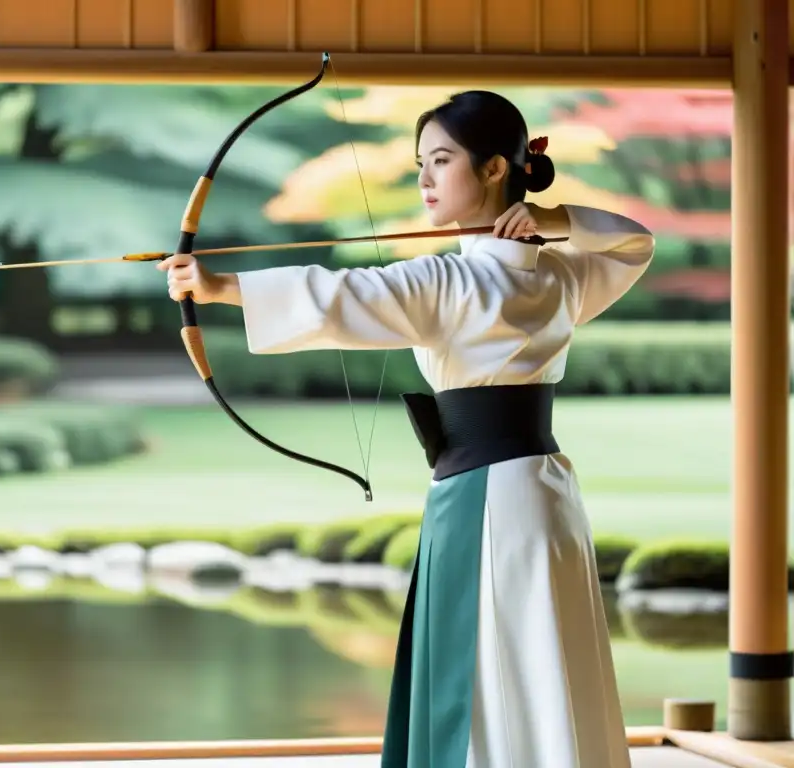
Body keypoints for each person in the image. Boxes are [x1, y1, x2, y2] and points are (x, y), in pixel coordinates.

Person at [158, 90, 653, 768]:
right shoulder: (560, 275)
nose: (423, 179)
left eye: (442, 161)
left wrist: (219, 288)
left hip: (489, 501)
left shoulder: (452, 282)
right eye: (421, 162)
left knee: (486, 672)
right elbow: (633, 240)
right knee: (536, 664)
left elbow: (342, 296)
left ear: (492, 170)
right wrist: (554, 218)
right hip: (541, 492)